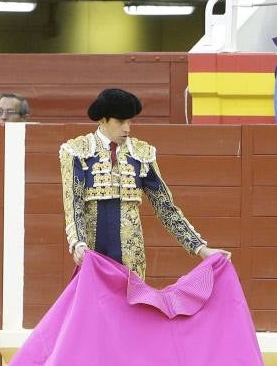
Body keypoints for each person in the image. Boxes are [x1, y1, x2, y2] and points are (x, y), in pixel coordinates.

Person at [59, 88, 229, 279]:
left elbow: (166, 208)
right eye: (120, 121)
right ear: (103, 120)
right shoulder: (77, 152)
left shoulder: (141, 154)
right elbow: (74, 204)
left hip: (132, 259)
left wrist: (201, 249)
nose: (127, 129)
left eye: (130, 121)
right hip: (91, 255)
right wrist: (79, 244)